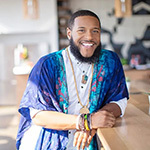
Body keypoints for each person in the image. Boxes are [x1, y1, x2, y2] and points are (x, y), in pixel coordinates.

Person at [16, 10, 129, 150]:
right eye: (82, 30)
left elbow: (119, 101)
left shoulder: (110, 61)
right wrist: (86, 122)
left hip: (86, 141)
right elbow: (38, 115)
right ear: (69, 33)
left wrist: (92, 125)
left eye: (95, 31)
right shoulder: (48, 65)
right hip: (46, 140)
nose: (89, 37)